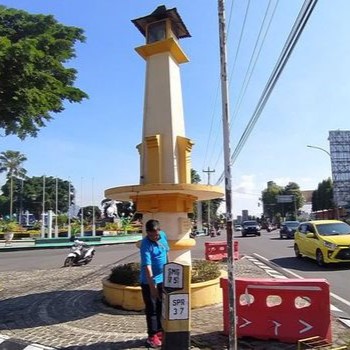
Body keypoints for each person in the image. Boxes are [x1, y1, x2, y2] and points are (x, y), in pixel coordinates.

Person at [140, 219, 169, 348]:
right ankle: (152, 336)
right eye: (151, 235)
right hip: (149, 281)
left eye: (156, 234)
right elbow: (147, 266)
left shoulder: (162, 236)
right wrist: (152, 287)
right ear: (147, 233)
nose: (154, 237)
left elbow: (166, 254)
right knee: (151, 309)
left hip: (163, 278)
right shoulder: (145, 244)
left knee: (160, 306)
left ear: (159, 231)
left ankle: (159, 331)